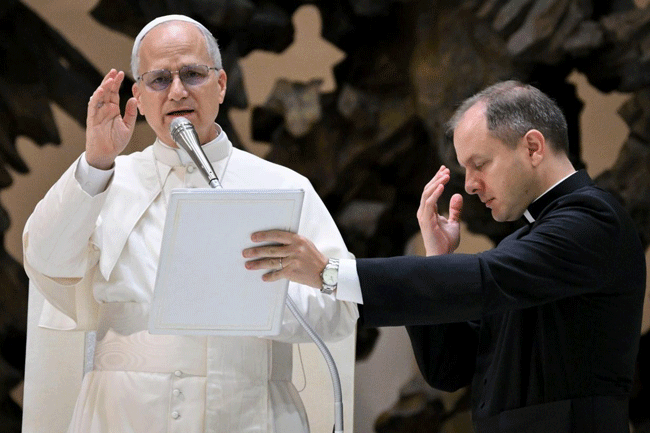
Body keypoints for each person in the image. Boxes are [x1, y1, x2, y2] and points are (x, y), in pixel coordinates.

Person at [243, 80, 647, 432]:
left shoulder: (592, 220)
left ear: (533, 147)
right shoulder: (527, 239)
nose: (469, 185)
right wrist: (437, 259)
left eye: (479, 164)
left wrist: (331, 274)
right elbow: (449, 369)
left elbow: (486, 278)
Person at [22, 14, 358, 433]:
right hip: (122, 413)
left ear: (221, 84)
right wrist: (95, 162)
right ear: (138, 96)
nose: (177, 91)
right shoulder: (104, 179)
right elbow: (46, 262)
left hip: (249, 411)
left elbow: (340, 310)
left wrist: (253, 305)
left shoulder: (283, 186)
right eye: (159, 79)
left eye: (193, 74)